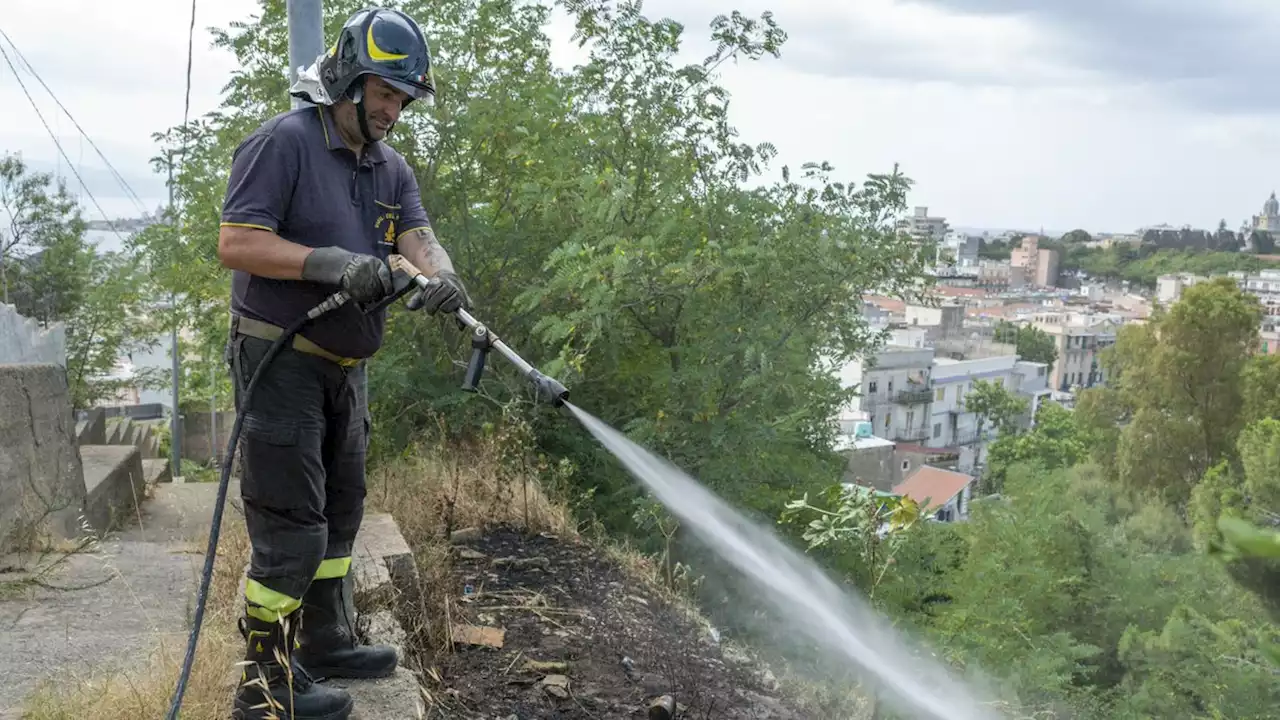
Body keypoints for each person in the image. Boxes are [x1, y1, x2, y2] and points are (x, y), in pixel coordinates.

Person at [216, 8, 470, 719]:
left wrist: (440, 276)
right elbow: (237, 243)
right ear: (348, 82)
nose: (394, 109)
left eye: (403, 97)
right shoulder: (283, 144)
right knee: (291, 527)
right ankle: (264, 685)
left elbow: (419, 237)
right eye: (384, 93)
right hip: (280, 362)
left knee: (340, 515)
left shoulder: (389, 167)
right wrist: (329, 264)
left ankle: (326, 640)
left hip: (345, 369)